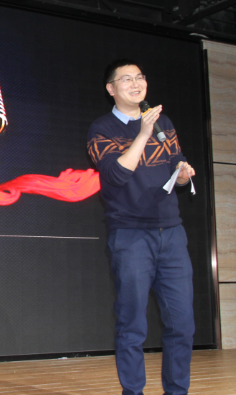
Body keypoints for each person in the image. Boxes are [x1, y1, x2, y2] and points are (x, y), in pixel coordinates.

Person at [87, 58, 196, 395]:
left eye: (140, 78)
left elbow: (175, 162)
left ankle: (176, 391)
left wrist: (183, 173)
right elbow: (117, 174)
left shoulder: (164, 122)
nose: (135, 84)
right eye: (126, 79)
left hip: (172, 233)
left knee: (182, 324)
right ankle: (132, 391)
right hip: (131, 235)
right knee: (132, 323)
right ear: (111, 89)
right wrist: (144, 133)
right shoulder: (101, 129)